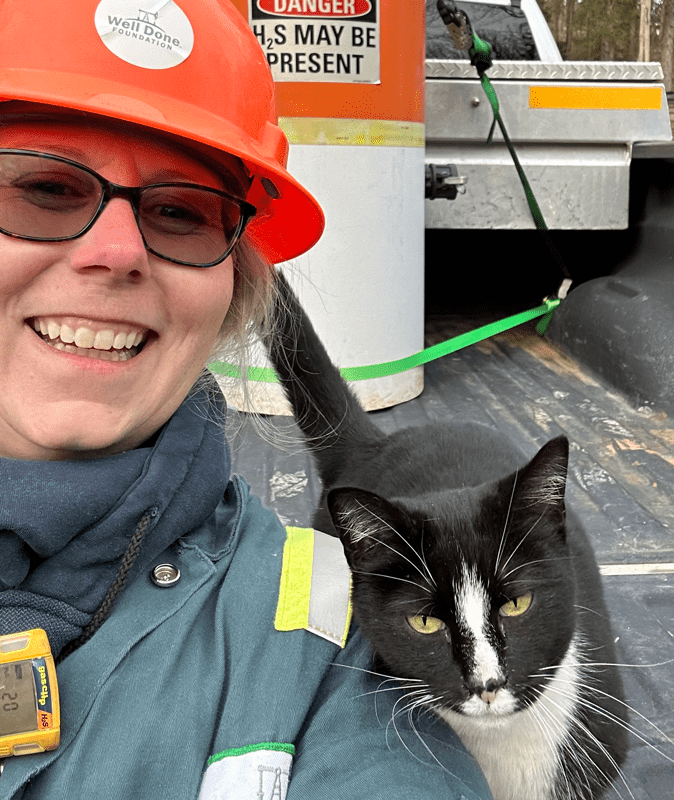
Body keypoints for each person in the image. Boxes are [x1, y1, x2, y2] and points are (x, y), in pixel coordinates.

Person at [0, 1, 491, 798]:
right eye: (44, 188)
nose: (117, 252)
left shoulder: (324, 641)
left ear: (233, 288)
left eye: (180, 211)